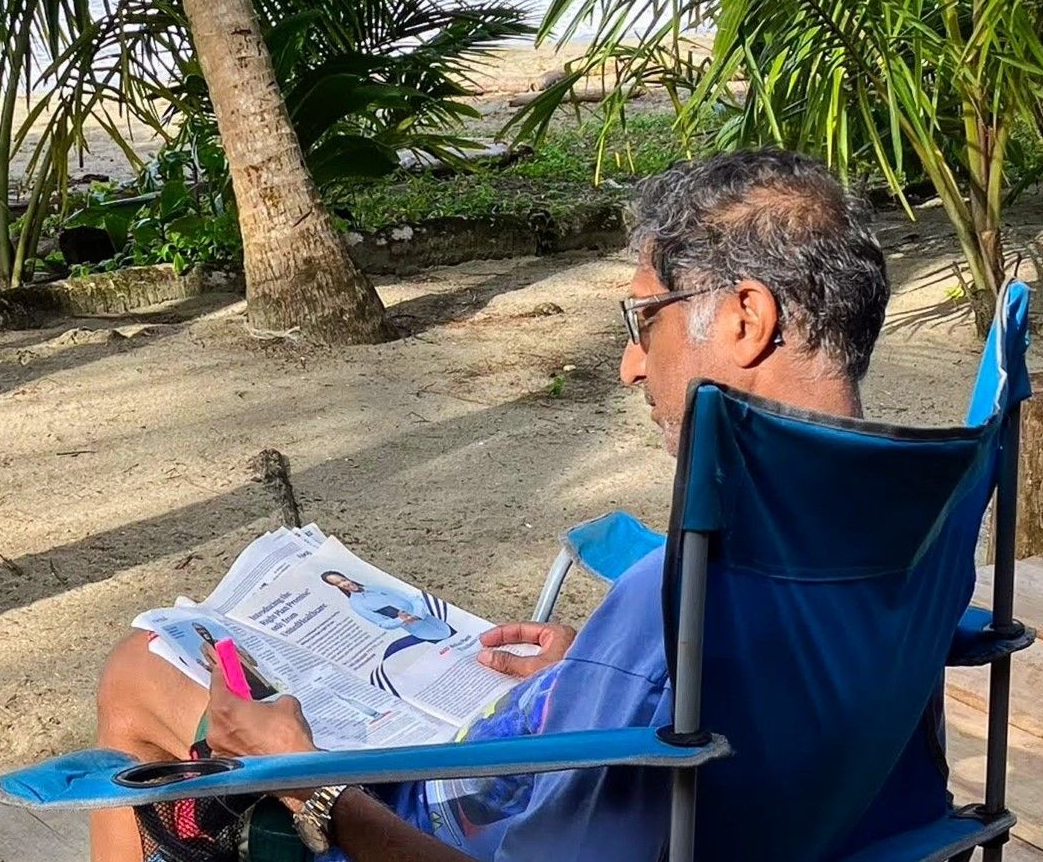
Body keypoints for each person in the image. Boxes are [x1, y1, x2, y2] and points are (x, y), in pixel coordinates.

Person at [91, 149, 891, 861]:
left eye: (644, 320)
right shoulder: (907, 518)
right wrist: (596, 678)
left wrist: (306, 785)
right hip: (747, 804)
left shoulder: (692, 578)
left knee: (140, 670)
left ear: (747, 318)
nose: (629, 366)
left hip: (449, 821)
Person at [319, 571, 454, 644]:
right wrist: (401, 620)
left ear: (345, 576)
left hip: (433, 619)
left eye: (342, 580)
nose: (344, 584)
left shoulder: (373, 587)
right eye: (339, 584)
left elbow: (410, 597)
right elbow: (382, 623)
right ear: (336, 587)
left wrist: (418, 612)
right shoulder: (357, 604)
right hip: (422, 632)